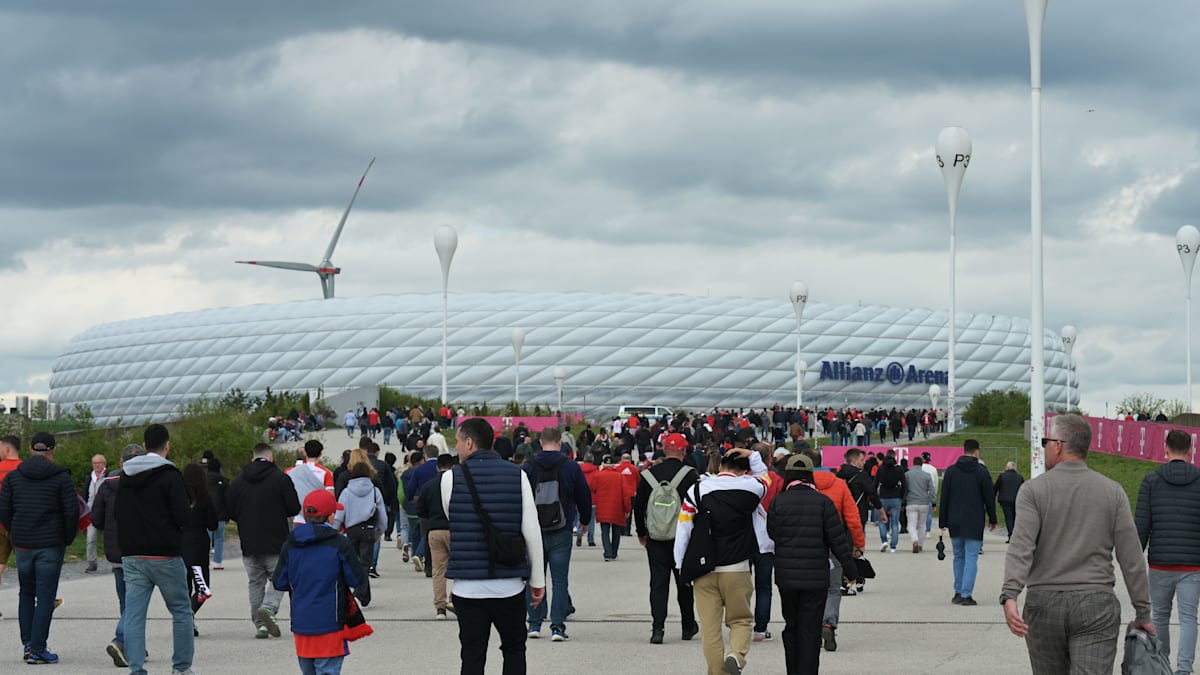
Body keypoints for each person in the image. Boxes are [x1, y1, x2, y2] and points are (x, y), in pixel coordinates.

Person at [1002, 414, 1154, 674]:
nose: (1044, 447)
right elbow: (1131, 557)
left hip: (1043, 604)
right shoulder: (1112, 491)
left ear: (1058, 445)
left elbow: (1021, 546)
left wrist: (1010, 594)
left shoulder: (1033, 491)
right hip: (1095, 604)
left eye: (1045, 442)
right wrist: (1143, 612)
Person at [441, 417, 546, 675]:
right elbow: (531, 530)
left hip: (468, 587)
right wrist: (537, 580)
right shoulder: (517, 475)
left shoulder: (450, 478)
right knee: (513, 649)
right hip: (509, 584)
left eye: (457, 442)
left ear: (469, 443)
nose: (456, 448)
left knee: (472, 655)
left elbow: (451, 516)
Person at [674, 447, 767, 675]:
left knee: (710, 629)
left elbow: (684, 528)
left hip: (704, 569)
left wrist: (680, 565)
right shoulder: (753, 488)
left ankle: (717, 672)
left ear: (720, 465)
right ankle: (736, 655)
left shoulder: (697, 488)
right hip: (737, 567)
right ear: (745, 470)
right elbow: (765, 476)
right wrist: (751, 453)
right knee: (741, 620)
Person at [115, 424, 196, 675]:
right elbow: (183, 516)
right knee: (181, 611)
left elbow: (118, 513)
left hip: (132, 554)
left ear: (144, 444)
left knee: (135, 615)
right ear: (167, 445)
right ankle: (181, 668)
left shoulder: (125, 476)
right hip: (165, 553)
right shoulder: (170, 475)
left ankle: (137, 669)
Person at [768, 454, 857, 675]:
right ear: (810, 475)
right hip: (816, 577)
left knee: (792, 626)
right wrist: (850, 569)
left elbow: (772, 533)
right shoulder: (823, 502)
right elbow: (838, 539)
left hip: (787, 577)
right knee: (810, 629)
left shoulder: (779, 501)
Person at [0, 431, 78, 665]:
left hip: (23, 543)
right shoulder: (61, 477)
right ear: (53, 450)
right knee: (45, 596)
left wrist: (13, 531)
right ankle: (38, 648)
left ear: (31, 450)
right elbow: (72, 511)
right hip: (50, 544)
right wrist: (67, 537)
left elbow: (3, 509)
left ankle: (27, 644)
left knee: (26, 592)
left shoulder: (14, 477)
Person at [274, 489, 371, 675]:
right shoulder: (338, 543)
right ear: (331, 516)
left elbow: (279, 581)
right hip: (330, 622)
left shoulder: (291, 543)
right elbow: (357, 578)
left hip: (301, 622)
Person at [1135, 429, 1200, 675]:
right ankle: (1184, 670)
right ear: (1191, 450)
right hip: (1193, 564)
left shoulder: (1151, 480)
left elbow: (1142, 525)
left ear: (1165, 448)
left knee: (1160, 615)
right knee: (1188, 618)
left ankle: (1162, 664)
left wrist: (1133, 562)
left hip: (1160, 562)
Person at [521, 425, 591, 641]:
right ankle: (557, 627)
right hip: (561, 529)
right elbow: (583, 495)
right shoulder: (570, 466)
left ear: (540, 442)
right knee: (560, 580)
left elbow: (519, 497)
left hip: (534, 530)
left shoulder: (528, 466)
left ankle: (534, 624)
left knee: (535, 577)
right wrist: (585, 521)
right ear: (560, 443)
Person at [227, 442, 302, 639]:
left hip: (249, 541)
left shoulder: (238, 482)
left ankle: (260, 625)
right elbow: (294, 507)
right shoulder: (280, 479)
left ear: (253, 458)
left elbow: (230, 511)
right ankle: (269, 608)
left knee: (255, 582)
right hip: (276, 539)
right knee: (280, 578)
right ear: (270, 458)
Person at [634, 432, 700, 645]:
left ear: (663, 449)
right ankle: (687, 625)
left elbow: (639, 506)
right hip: (683, 538)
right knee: (684, 583)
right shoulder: (691, 475)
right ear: (683, 451)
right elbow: (699, 506)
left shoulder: (648, 475)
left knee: (658, 583)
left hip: (656, 538)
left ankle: (658, 628)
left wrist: (642, 533)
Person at [90, 443, 144, 668]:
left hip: (115, 552)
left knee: (125, 599)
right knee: (136, 602)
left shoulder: (107, 485)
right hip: (139, 551)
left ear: (121, 463)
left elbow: (96, 519)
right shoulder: (147, 485)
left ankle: (134, 645)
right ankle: (121, 639)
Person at [939, 439, 997, 605]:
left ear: (963, 450)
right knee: (971, 557)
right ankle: (966, 594)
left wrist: (942, 520)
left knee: (958, 556)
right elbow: (989, 498)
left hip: (954, 520)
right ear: (977, 452)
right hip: (974, 520)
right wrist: (992, 519)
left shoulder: (951, 471)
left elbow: (945, 498)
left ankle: (957, 592)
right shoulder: (981, 472)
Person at [336, 455, 386, 606]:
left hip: (351, 530)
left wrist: (334, 531)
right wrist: (380, 531)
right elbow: (382, 514)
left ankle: (363, 596)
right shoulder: (374, 490)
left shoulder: (346, 492)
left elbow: (339, 514)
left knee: (354, 562)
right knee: (365, 564)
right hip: (369, 530)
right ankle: (360, 594)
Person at [417, 453, 456, 619]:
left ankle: (440, 608)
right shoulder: (458, 484)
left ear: (437, 467)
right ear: (453, 467)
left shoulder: (428, 486)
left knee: (438, 570)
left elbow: (421, 511)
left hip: (435, 530)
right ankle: (456, 599)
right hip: (455, 530)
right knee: (460, 568)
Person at [182, 463, 218, 632]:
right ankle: (188, 615)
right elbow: (213, 525)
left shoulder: (178, 497)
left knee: (185, 588)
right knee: (203, 588)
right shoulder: (204, 497)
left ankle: (187, 619)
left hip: (180, 546)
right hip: (199, 547)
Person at [590, 456, 633, 561]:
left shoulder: (598, 475)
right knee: (616, 531)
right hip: (617, 507)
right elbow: (626, 495)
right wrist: (627, 509)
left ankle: (608, 552)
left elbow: (592, 488)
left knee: (604, 531)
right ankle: (614, 552)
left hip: (603, 507)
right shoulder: (620, 476)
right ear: (614, 465)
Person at [287, 440, 334, 529]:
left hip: (297, 517)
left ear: (305, 452)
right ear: (320, 454)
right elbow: (330, 497)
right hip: (318, 519)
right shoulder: (326, 473)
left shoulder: (292, 472)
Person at [0, 434, 22, 597]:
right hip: (20, 523)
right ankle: (37, 598)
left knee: (0, 563)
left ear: (6, 448)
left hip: (0, 523)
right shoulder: (24, 469)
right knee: (26, 562)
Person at [200, 451, 229, 570]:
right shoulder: (223, 481)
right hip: (221, 514)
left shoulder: (202, 481)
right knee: (219, 539)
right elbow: (227, 498)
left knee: (206, 538)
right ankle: (217, 562)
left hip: (205, 514)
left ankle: (203, 560)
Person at [904, 457, 936, 553]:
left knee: (911, 525)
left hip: (911, 502)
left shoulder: (907, 475)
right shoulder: (927, 475)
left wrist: (903, 501)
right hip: (924, 503)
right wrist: (933, 502)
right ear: (921, 464)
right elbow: (932, 490)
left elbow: (905, 489)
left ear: (913, 464)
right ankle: (921, 545)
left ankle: (915, 540)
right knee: (922, 525)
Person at [875, 455, 905, 553]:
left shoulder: (880, 470)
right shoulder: (899, 470)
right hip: (896, 497)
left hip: (883, 497)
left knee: (882, 520)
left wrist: (874, 497)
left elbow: (875, 484)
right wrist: (901, 496)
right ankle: (893, 546)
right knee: (895, 523)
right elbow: (904, 484)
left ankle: (884, 540)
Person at [85, 453, 108, 573]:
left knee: (109, 539)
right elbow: (85, 496)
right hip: (92, 513)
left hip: (106, 513)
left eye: (99, 463)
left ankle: (115, 563)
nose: (97, 465)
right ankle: (92, 563)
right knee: (90, 539)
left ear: (104, 464)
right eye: (95, 463)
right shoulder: (89, 478)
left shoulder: (109, 476)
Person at [993, 461, 1024, 543]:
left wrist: (993, 495)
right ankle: (1016, 536)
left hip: (1005, 501)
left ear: (1007, 468)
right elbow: (1023, 489)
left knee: (1008, 518)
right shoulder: (1019, 477)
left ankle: (1011, 536)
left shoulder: (1002, 476)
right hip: (1017, 500)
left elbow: (996, 488)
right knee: (1015, 518)